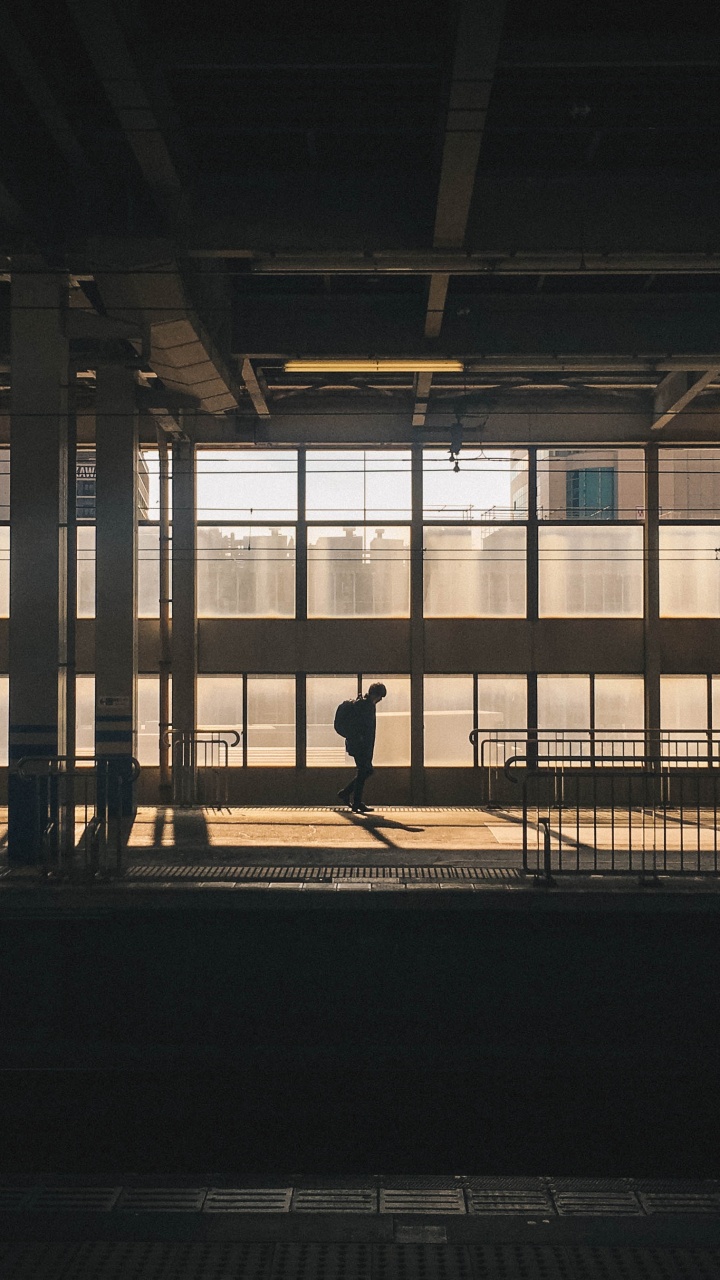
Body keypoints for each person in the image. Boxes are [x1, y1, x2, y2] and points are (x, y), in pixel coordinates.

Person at [337, 682, 387, 813]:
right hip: (360, 745)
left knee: (364, 771)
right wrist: (362, 741)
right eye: (380, 696)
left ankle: (347, 795)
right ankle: (355, 801)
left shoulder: (364, 704)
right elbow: (364, 728)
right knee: (364, 771)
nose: (380, 699)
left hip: (359, 744)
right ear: (375, 695)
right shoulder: (365, 706)